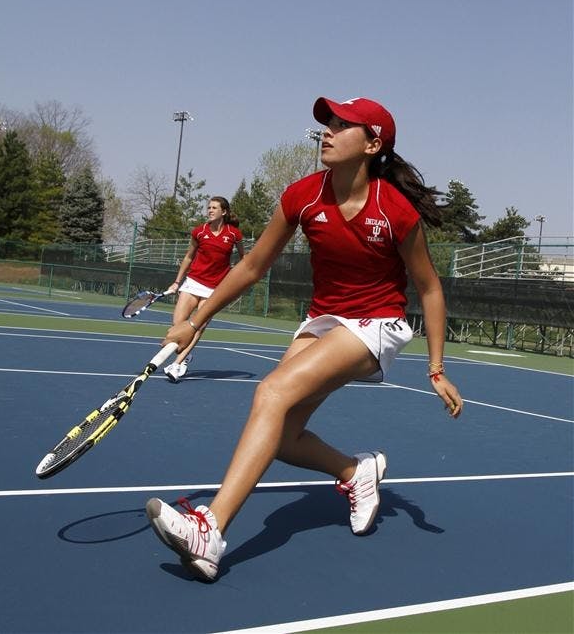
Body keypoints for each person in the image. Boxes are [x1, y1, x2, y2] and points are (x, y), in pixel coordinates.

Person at [147, 96, 463, 581]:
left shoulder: (394, 210)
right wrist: (197, 320)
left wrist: (436, 367)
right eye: (327, 123)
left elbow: (429, 286)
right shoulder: (303, 196)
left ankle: (210, 528)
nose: (328, 132)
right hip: (323, 319)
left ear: (373, 143)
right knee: (281, 435)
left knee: (270, 392)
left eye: (343, 125)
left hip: (376, 324)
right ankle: (355, 472)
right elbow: (252, 266)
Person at [163, 196, 244, 382]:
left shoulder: (234, 234)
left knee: (197, 327)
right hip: (193, 282)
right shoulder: (199, 232)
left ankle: (177, 364)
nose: (209, 210)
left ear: (223, 212)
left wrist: (236, 284)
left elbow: (243, 260)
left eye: (214, 207)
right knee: (178, 326)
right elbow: (188, 258)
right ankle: (185, 354)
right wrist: (177, 282)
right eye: (208, 207)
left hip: (215, 289)